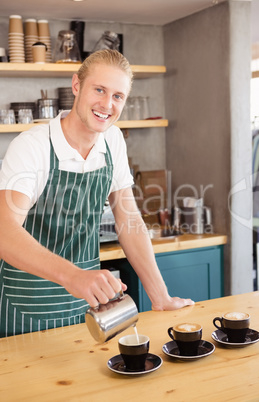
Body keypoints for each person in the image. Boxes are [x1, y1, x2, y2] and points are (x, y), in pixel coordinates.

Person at [0, 49, 194, 337]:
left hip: (88, 309)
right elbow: (4, 231)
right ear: (76, 85)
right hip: (27, 311)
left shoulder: (112, 139)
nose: (107, 104)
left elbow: (129, 222)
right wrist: (73, 276)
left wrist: (160, 296)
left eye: (118, 96)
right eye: (99, 90)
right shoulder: (33, 146)